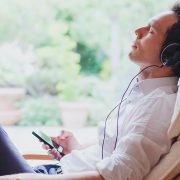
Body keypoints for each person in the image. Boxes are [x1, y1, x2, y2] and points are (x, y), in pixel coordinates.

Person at [0, 2, 180, 180]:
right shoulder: (143, 94)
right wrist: (75, 149)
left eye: (151, 31)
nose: (137, 31)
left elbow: (120, 174)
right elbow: (110, 155)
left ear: (170, 55)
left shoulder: (157, 105)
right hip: (55, 170)